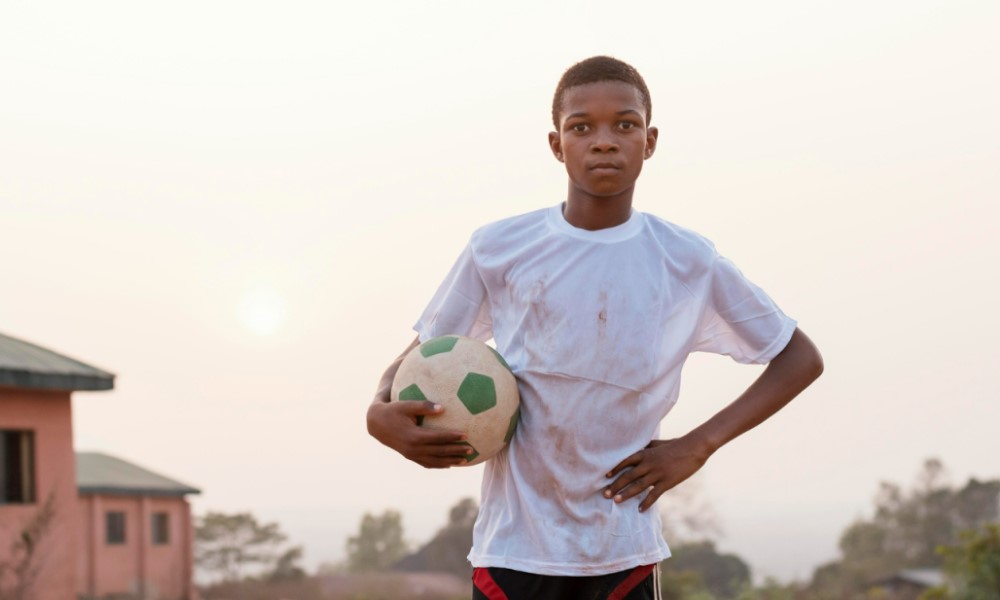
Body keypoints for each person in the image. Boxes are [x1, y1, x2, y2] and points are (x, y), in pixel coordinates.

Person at [367, 56, 824, 600]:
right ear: (557, 144)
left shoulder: (685, 260)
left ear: (649, 141)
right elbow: (421, 355)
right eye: (581, 127)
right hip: (513, 551)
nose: (603, 141)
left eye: (624, 125)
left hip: (620, 551)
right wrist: (378, 409)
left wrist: (697, 446)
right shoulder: (498, 248)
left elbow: (799, 357)